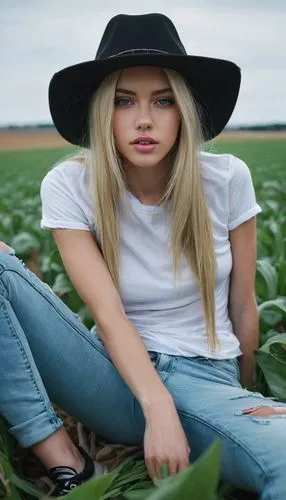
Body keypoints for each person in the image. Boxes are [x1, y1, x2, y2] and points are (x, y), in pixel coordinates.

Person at [0, 12, 285, 499]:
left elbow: (242, 307)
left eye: (164, 100)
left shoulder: (227, 179)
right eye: (123, 101)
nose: (144, 119)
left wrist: (240, 398)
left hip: (202, 377)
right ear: (101, 111)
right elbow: (108, 316)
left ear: (186, 111)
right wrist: (157, 406)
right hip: (108, 375)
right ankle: (65, 459)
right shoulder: (71, 184)